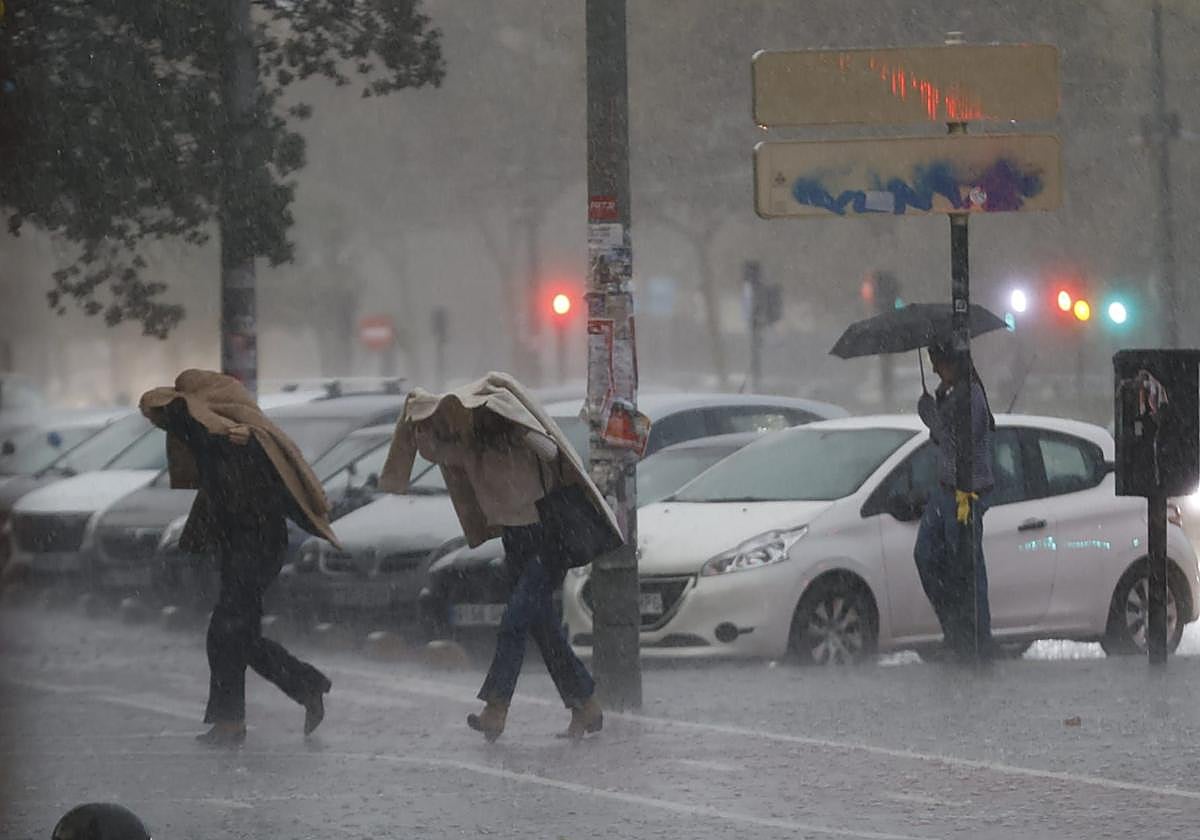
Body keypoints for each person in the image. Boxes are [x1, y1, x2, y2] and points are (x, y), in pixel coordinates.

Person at [379, 372, 621, 742]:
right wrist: (422, 430)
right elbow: (438, 453)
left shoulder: (522, 437)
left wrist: (520, 427)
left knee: (514, 620)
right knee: (544, 629)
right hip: (516, 540)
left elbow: (552, 451)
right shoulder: (473, 446)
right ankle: (585, 705)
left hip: (548, 536)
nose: (483, 419)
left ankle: (496, 708)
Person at [140, 371, 338, 745]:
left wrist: (237, 433)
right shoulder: (207, 431)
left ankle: (233, 721)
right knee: (240, 636)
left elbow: (274, 463)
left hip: (259, 542)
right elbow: (155, 402)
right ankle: (304, 686)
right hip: (241, 543)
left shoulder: (243, 436)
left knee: (226, 631)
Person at [914, 342, 996, 662]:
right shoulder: (950, 395)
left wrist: (932, 418)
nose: (934, 369)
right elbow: (943, 440)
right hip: (944, 490)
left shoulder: (972, 397)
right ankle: (954, 628)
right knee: (926, 555)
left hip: (966, 494)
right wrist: (937, 406)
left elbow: (959, 442)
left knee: (967, 566)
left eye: (938, 362)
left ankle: (975, 638)